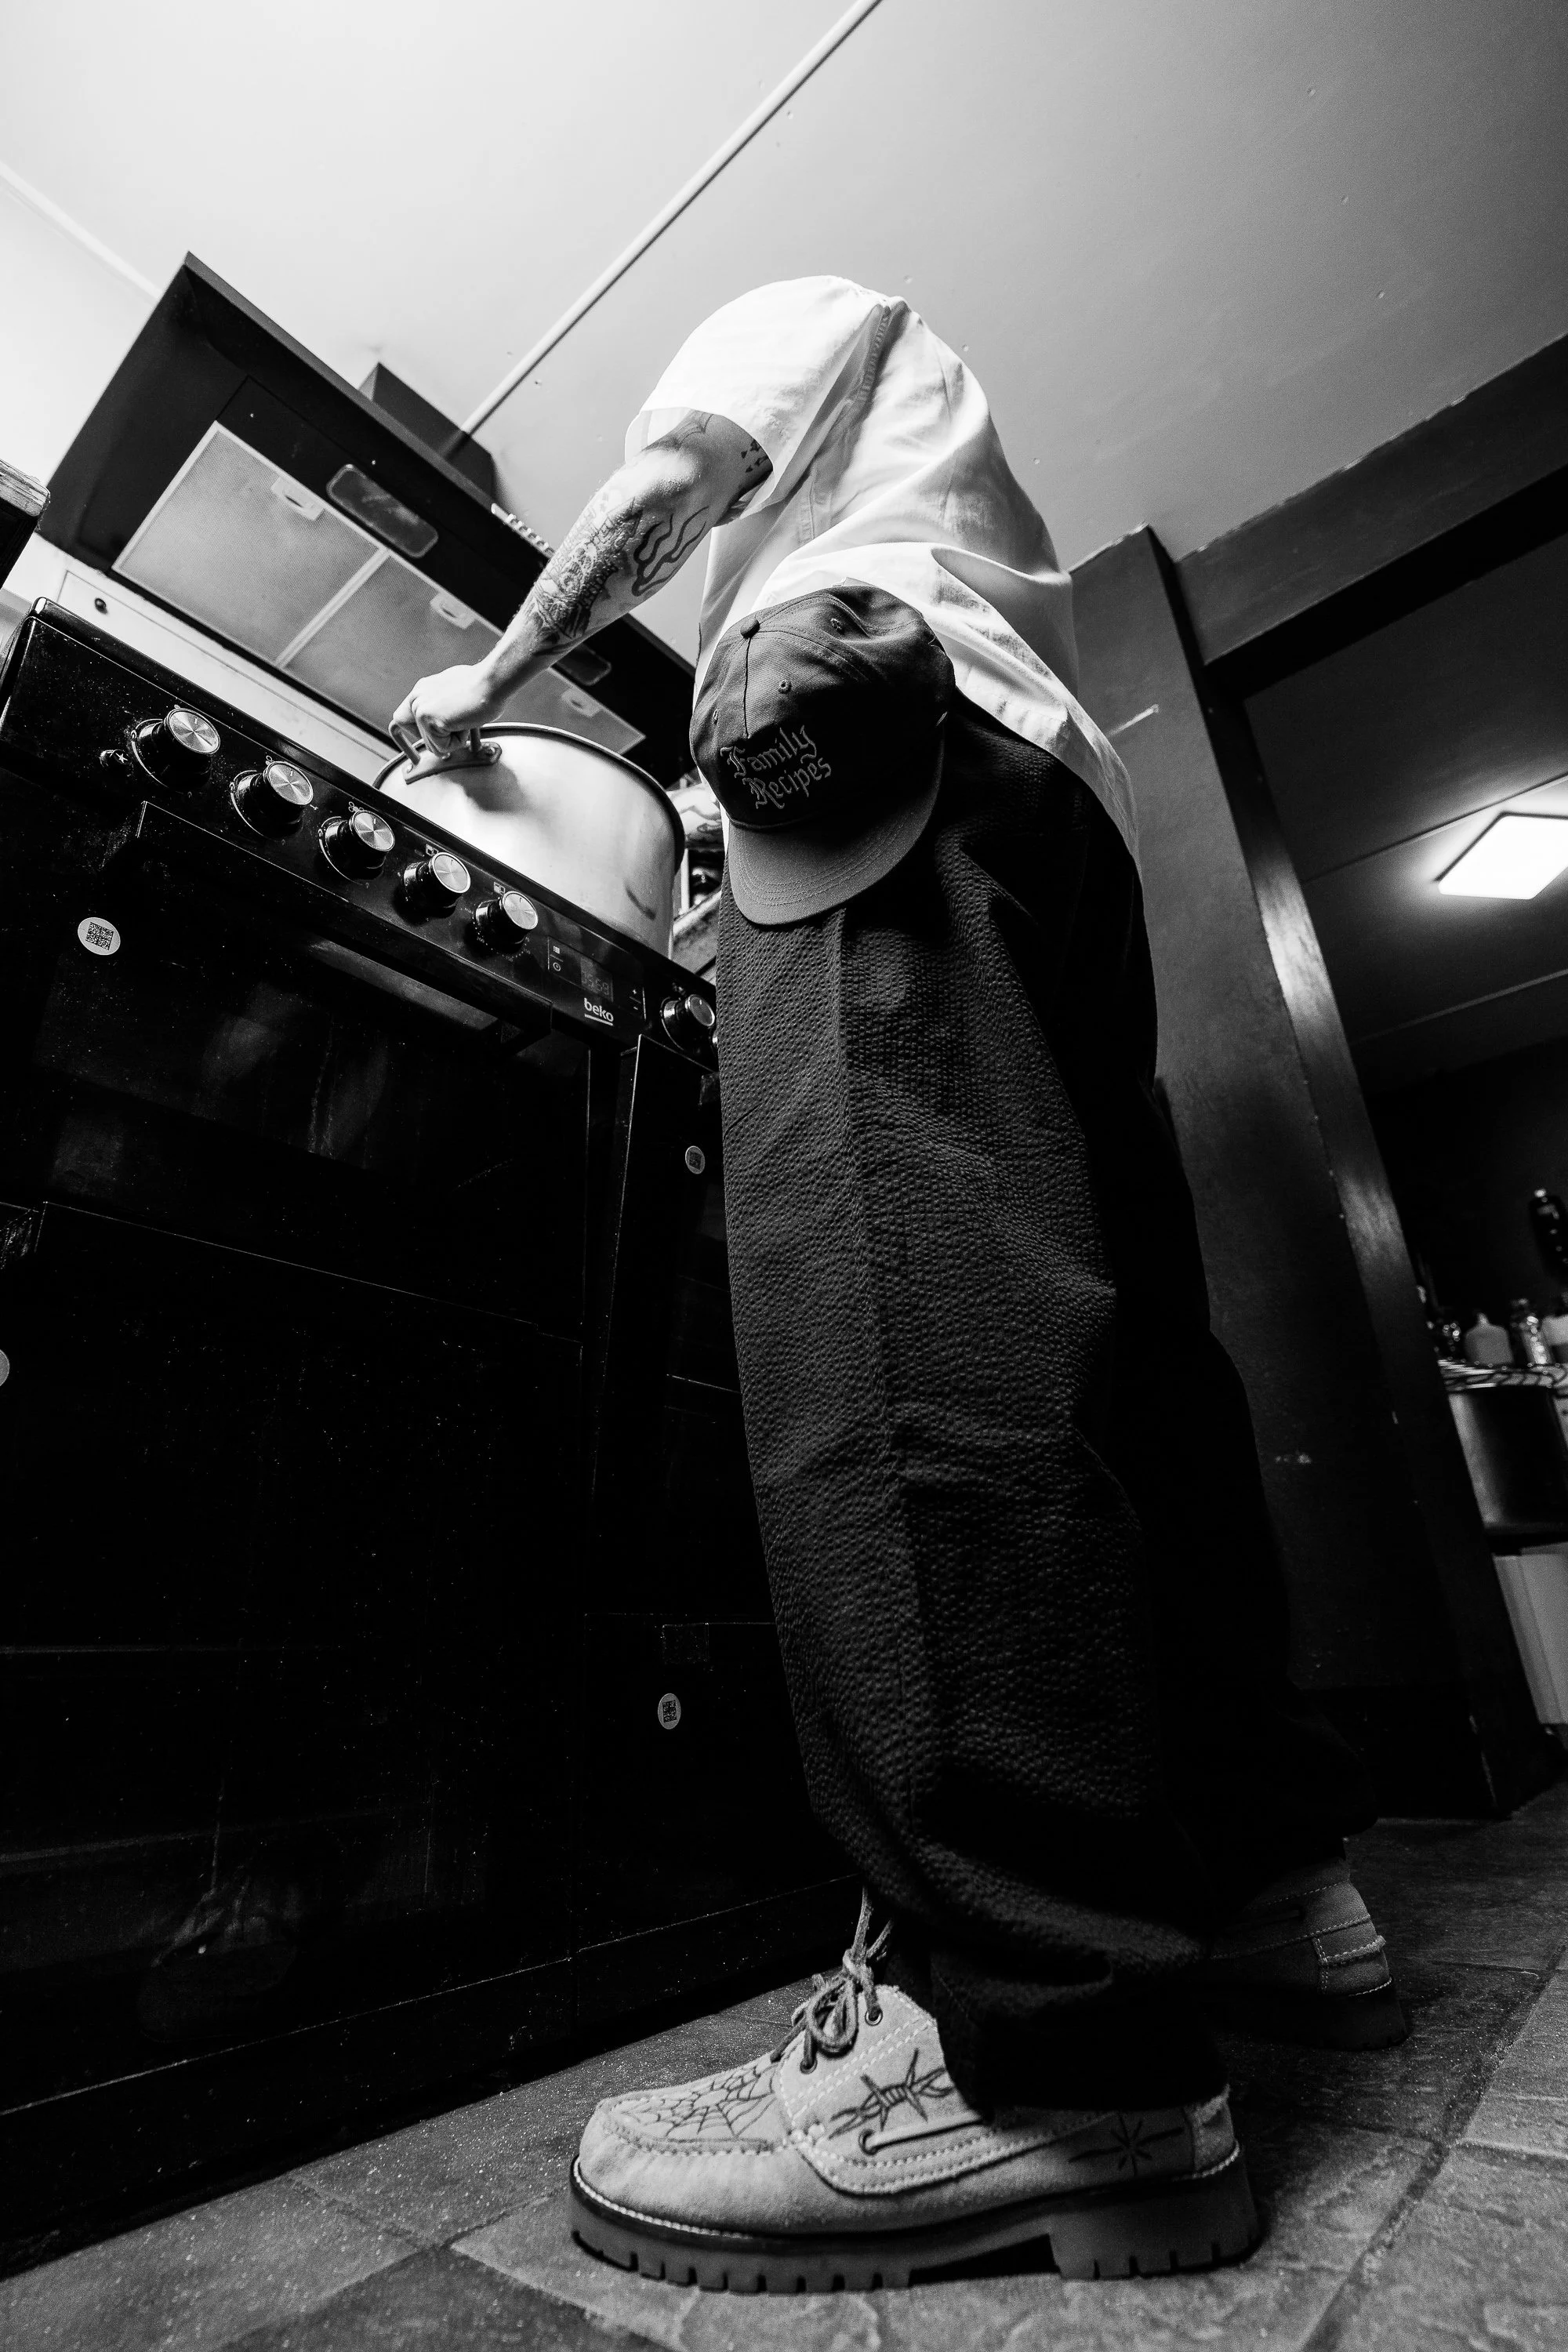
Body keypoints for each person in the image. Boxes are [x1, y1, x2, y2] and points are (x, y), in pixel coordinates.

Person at [393, 277, 1399, 2295]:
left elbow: (658, 501)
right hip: (1044, 806)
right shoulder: (960, 513)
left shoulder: (801, 313)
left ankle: (1036, 2040)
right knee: (1123, 1368)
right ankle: (1275, 1891)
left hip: (870, 722)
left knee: (903, 1325)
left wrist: (482, 683)